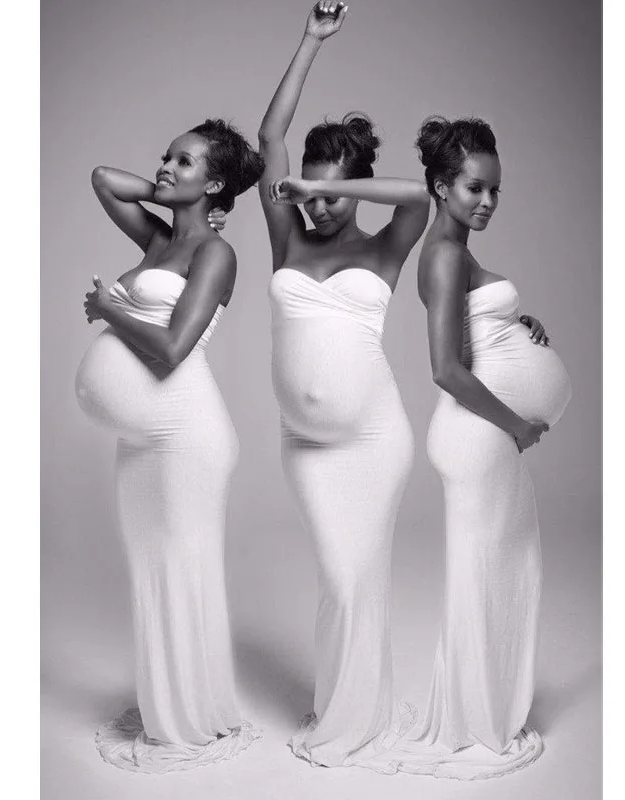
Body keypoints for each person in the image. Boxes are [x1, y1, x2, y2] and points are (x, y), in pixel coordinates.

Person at [256, 1, 431, 772]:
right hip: (306, 445)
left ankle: (350, 713)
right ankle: (345, 704)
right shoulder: (287, 237)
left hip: (376, 438)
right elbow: (269, 138)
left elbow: (422, 196)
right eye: (311, 192)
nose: (321, 206)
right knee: (339, 571)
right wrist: (311, 40)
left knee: (358, 577)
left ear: (360, 189)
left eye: (336, 193)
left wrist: (329, 180)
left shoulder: (385, 248)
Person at [74, 119, 264, 772]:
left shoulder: (215, 253)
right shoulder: (159, 240)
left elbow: (173, 348)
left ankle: (192, 718)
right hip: (143, 437)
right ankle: (167, 709)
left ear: (215, 183)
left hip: (186, 433)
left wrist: (110, 309)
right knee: (151, 571)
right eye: (166, 156)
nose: (165, 166)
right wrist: (173, 190)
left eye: (184, 162)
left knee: (183, 570)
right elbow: (104, 179)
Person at [395, 116, 572, 780]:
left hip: (481, 434)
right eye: (475, 188)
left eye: (496, 189)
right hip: (476, 436)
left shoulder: (456, 251)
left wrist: (514, 326)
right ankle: (474, 721)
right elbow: (445, 369)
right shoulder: (443, 254)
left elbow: (472, 338)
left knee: (500, 572)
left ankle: (484, 707)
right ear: (441, 187)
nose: (488, 201)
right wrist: (517, 426)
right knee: (482, 578)